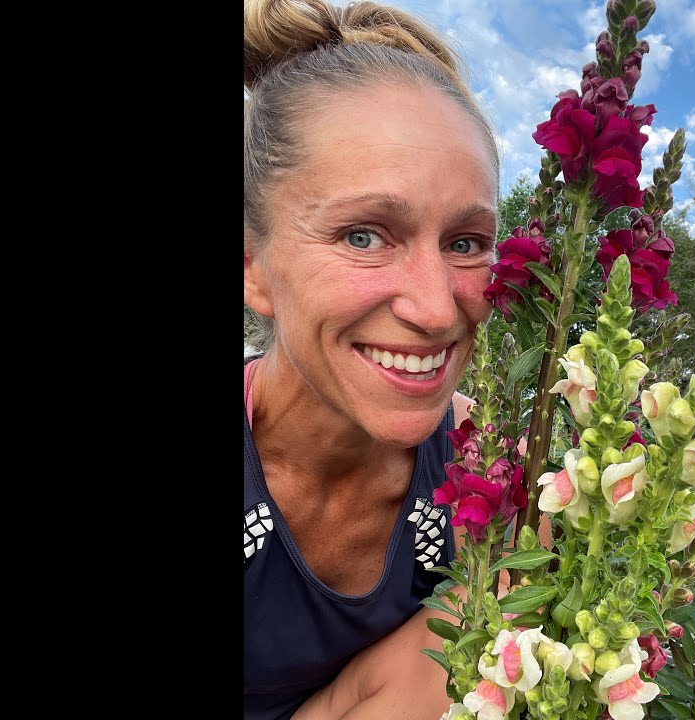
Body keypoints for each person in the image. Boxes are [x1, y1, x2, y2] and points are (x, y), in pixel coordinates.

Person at [242, 1, 501, 718]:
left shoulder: (494, 476)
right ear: (253, 267)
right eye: (363, 236)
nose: (438, 310)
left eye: (466, 242)